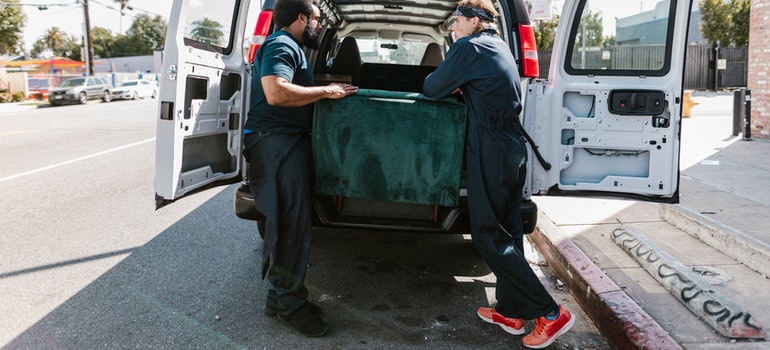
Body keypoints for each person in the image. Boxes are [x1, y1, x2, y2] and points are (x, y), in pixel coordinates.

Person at [422, 0, 574, 348]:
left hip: (490, 149)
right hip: (512, 149)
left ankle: (551, 313)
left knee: (489, 234)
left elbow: (431, 87)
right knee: (509, 232)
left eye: (456, 21)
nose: (453, 28)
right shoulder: (499, 46)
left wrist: (453, 82)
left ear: (474, 20)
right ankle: (511, 310)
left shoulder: (470, 46)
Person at [244, 0, 357, 337]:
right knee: (290, 227)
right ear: (301, 18)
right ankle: (289, 306)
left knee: (288, 224)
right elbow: (276, 93)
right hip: (276, 143)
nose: (320, 26)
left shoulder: (291, 46)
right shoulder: (281, 43)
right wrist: (327, 90)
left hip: (283, 143)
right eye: (317, 20)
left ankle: (282, 299)